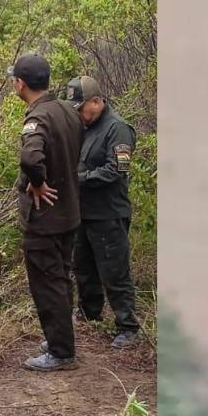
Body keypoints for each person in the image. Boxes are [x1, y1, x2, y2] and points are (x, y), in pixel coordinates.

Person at [9, 54, 83, 372]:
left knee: (47, 283)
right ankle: (59, 337)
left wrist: (37, 182)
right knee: (61, 278)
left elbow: (30, 156)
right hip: (69, 211)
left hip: (45, 217)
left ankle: (61, 351)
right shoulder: (67, 110)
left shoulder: (37, 118)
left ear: (20, 83)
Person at [65, 76, 140, 348]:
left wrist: (78, 179)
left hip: (109, 213)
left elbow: (116, 170)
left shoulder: (117, 128)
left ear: (96, 101)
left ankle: (128, 326)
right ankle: (89, 312)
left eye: (81, 107)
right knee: (83, 266)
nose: (79, 113)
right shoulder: (85, 127)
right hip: (84, 212)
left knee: (114, 270)